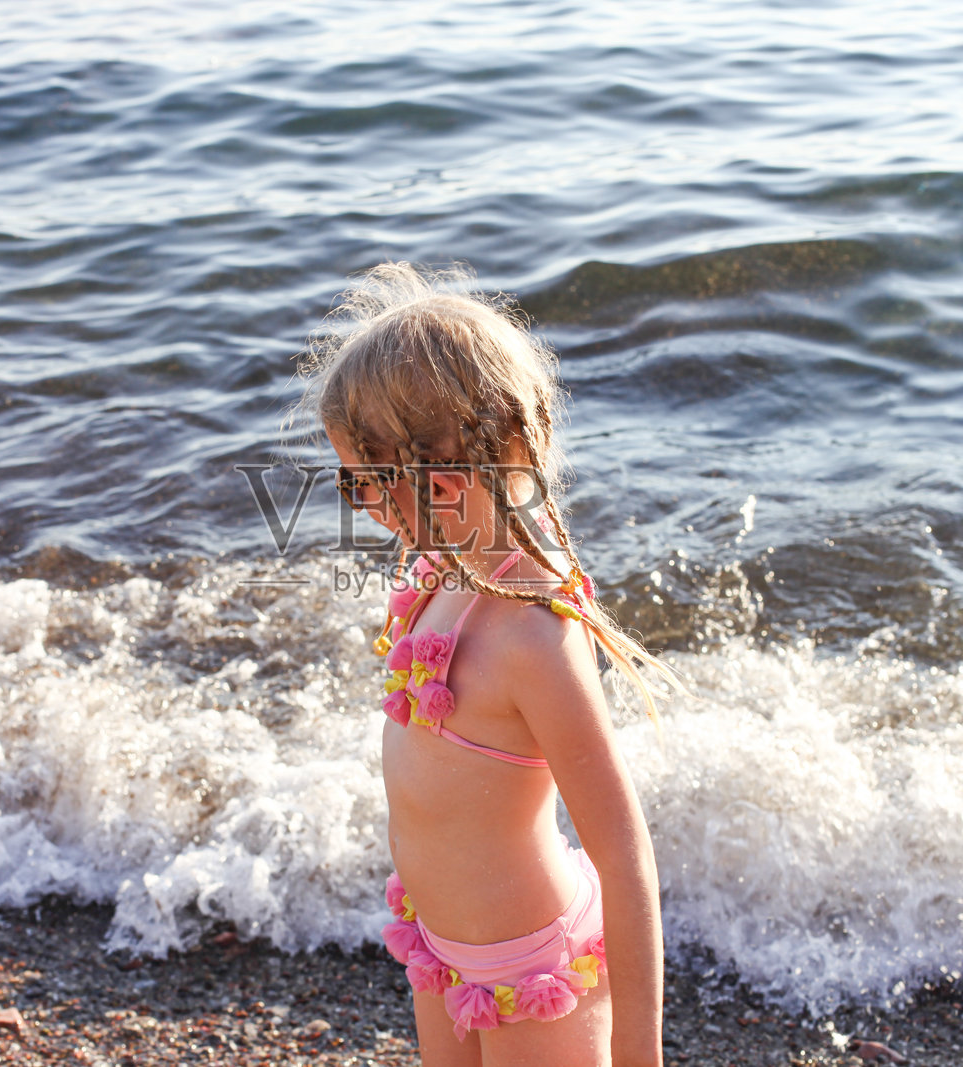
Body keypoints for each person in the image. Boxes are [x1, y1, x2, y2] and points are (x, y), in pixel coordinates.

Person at [290, 263, 681, 1067]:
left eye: (376, 479)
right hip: (442, 950)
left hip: (534, 967)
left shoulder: (533, 635)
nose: (364, 505)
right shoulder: (439, 574)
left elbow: (623, 851)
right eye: (353, 484)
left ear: (480, 452)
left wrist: (641, 1053)